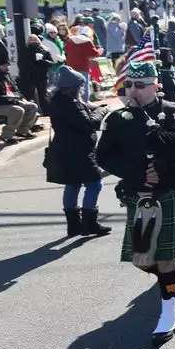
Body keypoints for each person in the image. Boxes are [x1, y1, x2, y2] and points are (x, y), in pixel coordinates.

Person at [95, 60, 175, 343]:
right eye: (129, 85)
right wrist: (135, 172)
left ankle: (169, 313)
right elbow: (103, 156)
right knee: (141, 259)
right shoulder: (116, 119)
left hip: (171, 191)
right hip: (139, 195)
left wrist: (167, 163)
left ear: (156, 86)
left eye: (140, 85)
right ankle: (174, 276)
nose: (133, 91)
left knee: (164, 257)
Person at [46, 66, 111, 237]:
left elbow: (83, 112)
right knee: (95, 183)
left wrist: (92, 107)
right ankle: (89, 222)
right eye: (80, 87)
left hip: (63, 150)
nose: (82, 89)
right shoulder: (73, 105)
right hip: (79, 152)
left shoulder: (57, 101)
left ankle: (73, 225)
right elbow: (89, 123)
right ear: (73, 88)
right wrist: (102, 110)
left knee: (73, 184)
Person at [0, 61, 39, 144]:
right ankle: (7, 136)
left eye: (7, 65)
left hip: (7, 101)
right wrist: (14, 101)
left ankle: (22, 131)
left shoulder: (6, 76)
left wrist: (20, 98)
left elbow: (15, 90)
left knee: (32, 106)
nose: (7, 67)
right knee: (17, 110)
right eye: (4, 65)